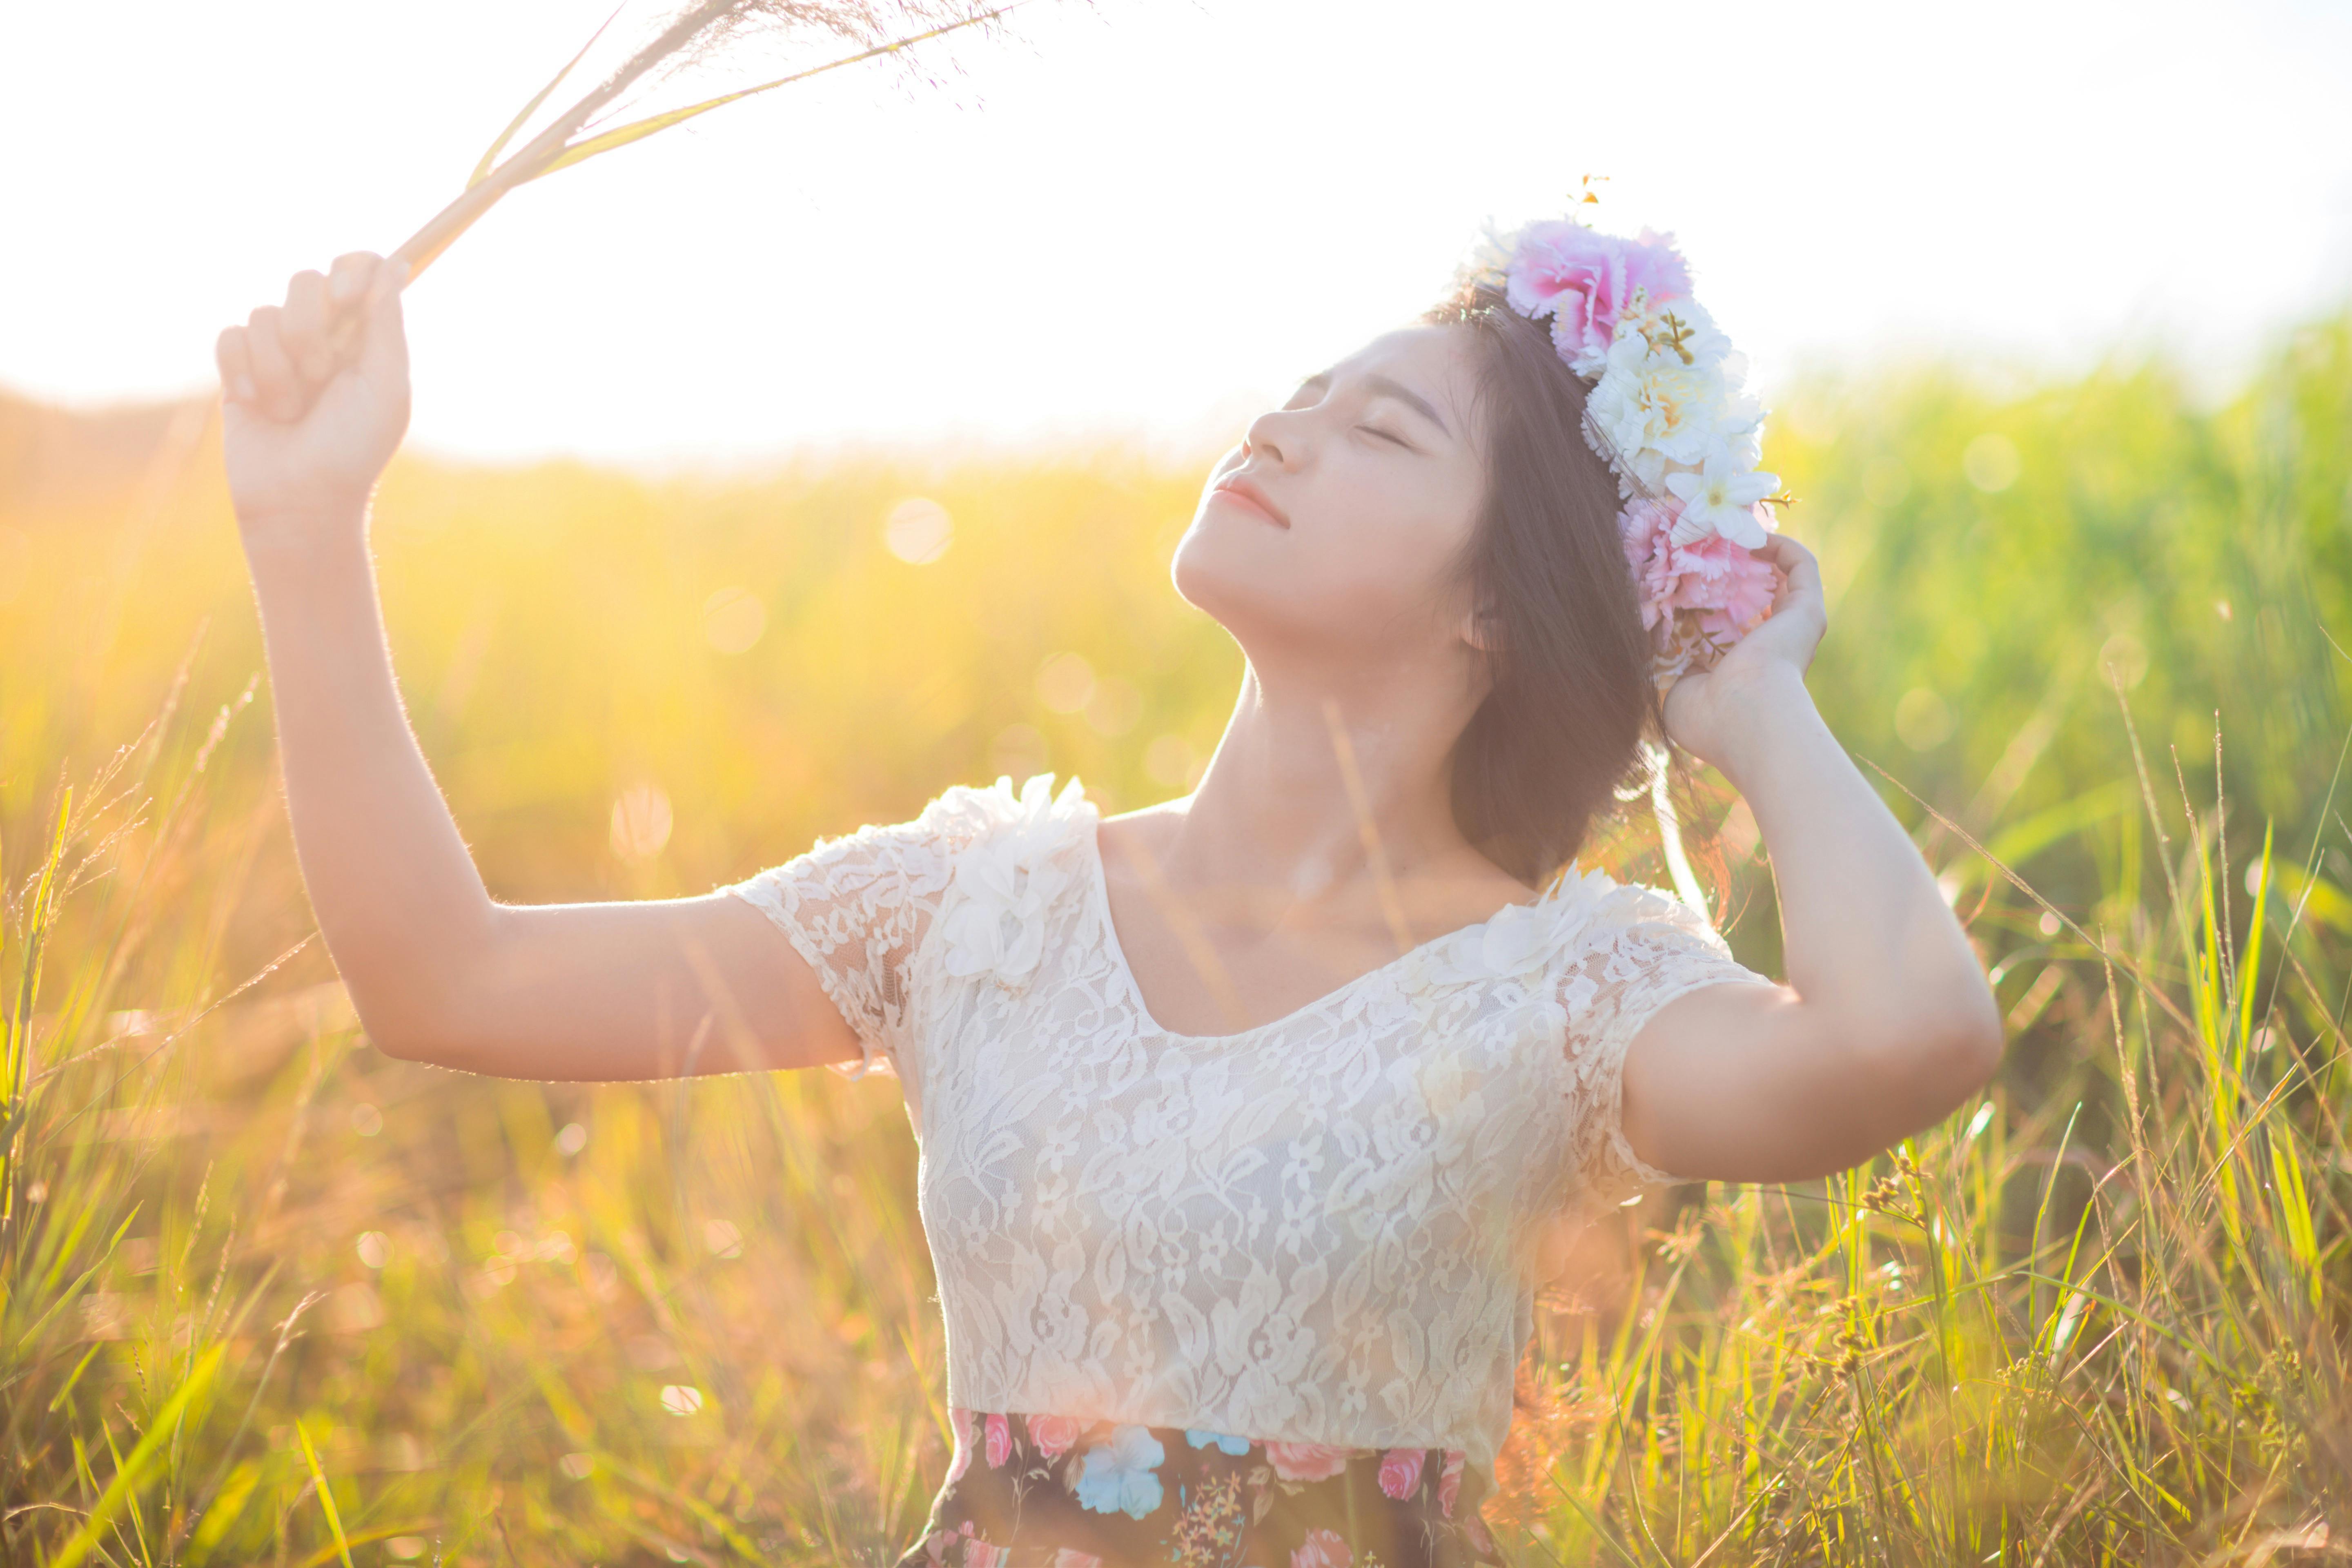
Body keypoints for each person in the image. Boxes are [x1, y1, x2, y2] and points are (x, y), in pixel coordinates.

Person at [213, 217, 2003, 1568]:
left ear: (1495, 609)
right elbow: (444, 982)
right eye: (1298, 397)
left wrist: (1747, 698)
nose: (1283, 431)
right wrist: (305, 531)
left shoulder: (1558, 991)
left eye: (1379, 431)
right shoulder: (968, 909)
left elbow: (1908, 1042)